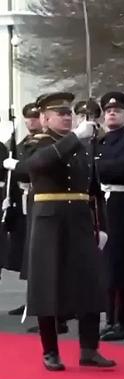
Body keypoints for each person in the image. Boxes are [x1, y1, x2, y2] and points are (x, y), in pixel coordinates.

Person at [13, 92, 114, 371]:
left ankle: (89, 349)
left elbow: (93, 190)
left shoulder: (81, 145)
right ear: (45, 118)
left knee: (89, 283)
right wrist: (74, 138)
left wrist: (101, 225)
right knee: (47, 284)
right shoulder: (38, 143)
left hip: (80, 218)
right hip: (49, 220)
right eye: (61, 114)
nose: (67, 118)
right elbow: (34, 166)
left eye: (69, 113)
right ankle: (50, 351)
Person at [95, 91, 124, 341]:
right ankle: (110, 319)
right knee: (105, 263)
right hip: (101, 202)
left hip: (120, 204)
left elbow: (123, 169)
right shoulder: (99, 142)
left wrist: (97, 167)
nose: (112, 113)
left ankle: (123, 322)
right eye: (108, 110)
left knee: (121, 262)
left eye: (117, 110)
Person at [3, 103, 40, 316]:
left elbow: (28, 169)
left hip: (38, 198)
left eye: (35, 117)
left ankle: (40, 301)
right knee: (27, 253)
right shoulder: (22, 143)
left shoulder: (44, 143)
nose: (31, 121)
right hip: (23, 202)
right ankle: (31, 299)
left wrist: (16, 166)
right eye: (28, 117)